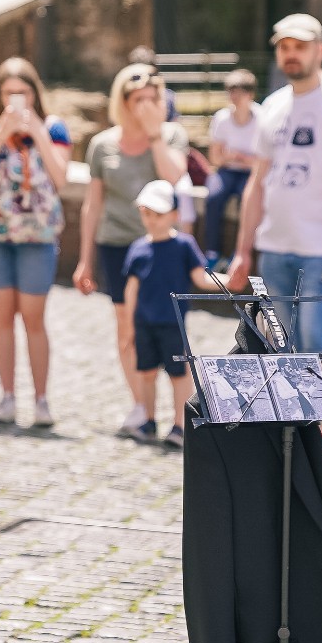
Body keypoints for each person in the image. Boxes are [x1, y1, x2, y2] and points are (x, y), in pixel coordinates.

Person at [224, 13, 322, 357]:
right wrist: (243, 250)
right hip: (274, 249)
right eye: (285, 47)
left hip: (321, 251)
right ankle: (295, 414)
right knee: (277, 350)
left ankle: (321, 414)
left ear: (320, 50)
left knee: (316, 346)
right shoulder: (273, 105)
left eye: (300, 47)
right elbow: (258, 182)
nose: (292, 54)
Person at [76, 63, 189, 439]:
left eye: (151, 99)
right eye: (137, 100)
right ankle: (142, 408)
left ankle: (174, 415)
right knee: (127, 330)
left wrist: (155, 135)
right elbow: (92, 205)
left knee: (167, 328)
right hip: (117, 245)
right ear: (122, 102)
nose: (144, 106)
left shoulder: (172, 136)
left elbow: (175, 180)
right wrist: (84, 260)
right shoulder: (103, 145)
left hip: (162, 247)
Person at [0, 57, 69, 428]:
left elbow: (62, 178)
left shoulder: (54, 128)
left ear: (34, 93)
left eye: (22, 93)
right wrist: (1, 132)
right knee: (3, 317)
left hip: (37, 235)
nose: (15, 100)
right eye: (8, 93)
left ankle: (41, 400)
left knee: (34, 318)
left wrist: (37, 131)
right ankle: (7, 397)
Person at [124, 179, 222, 447]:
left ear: (175, 215)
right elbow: (131, 290)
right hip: (144, 323)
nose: (152, 220)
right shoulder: (138, 248)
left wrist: (227, 282)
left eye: (159, 214)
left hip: (172, 324)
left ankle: (180, 425)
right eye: (147, 214)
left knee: (179, 374)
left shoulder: (184, 245)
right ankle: (149, 419)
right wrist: (129, 327)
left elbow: (201, 278)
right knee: (146, 372)